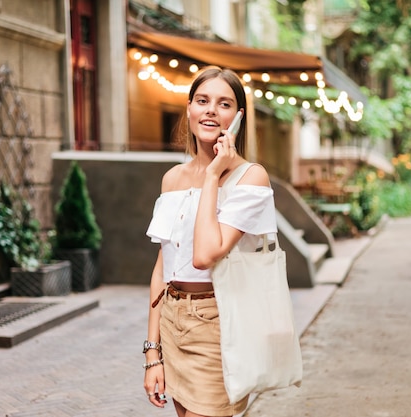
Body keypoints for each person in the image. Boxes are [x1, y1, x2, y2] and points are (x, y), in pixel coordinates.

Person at [144, 66, 277, 417]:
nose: (211, 111)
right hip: (173, 321)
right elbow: (162, 268)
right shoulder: (172, 178)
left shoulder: (251, 178)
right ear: (189, 109)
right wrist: (151, 353)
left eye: (224, 104)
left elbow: (204, 255)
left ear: (238, 117)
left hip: (217, 322)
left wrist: (214, 174)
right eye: (202, 101)